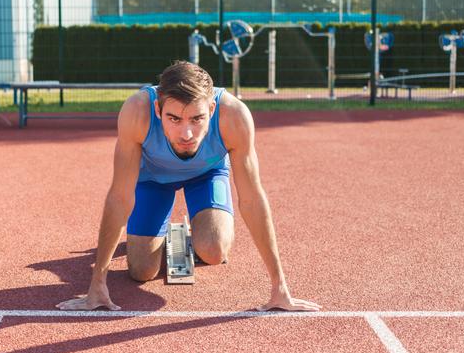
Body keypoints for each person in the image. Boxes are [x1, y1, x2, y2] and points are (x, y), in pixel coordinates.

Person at [57, 61, 320, 312]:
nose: (186, 134)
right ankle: (156, 237)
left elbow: (252, 198)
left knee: (214, 251)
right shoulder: (137, 112)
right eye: (174, 119)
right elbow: (119, 197)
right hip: (152, 180)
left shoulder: (235, 116)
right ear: (158, 110)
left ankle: (189, 235)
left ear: (213, 110)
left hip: (207, 175)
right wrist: (97, 284)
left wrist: (279, 286)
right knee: (141, 271)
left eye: (197, 119)